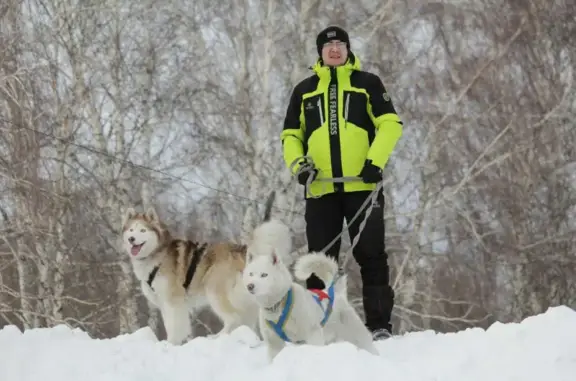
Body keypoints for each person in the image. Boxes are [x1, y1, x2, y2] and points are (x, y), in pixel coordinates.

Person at [280, 26, 403, 340]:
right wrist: (299, 166)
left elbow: (390, 124)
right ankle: (321, 325)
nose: (334, 49)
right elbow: (291, 136)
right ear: (319, 52)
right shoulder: (304, 90)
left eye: (340, 44)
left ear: (348, 49)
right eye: (328, 45)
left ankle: (379, 326)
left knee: (371, 256)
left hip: (363, 188)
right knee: (320, 261)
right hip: (321, 190)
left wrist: (375, 162)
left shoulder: (368, 84)